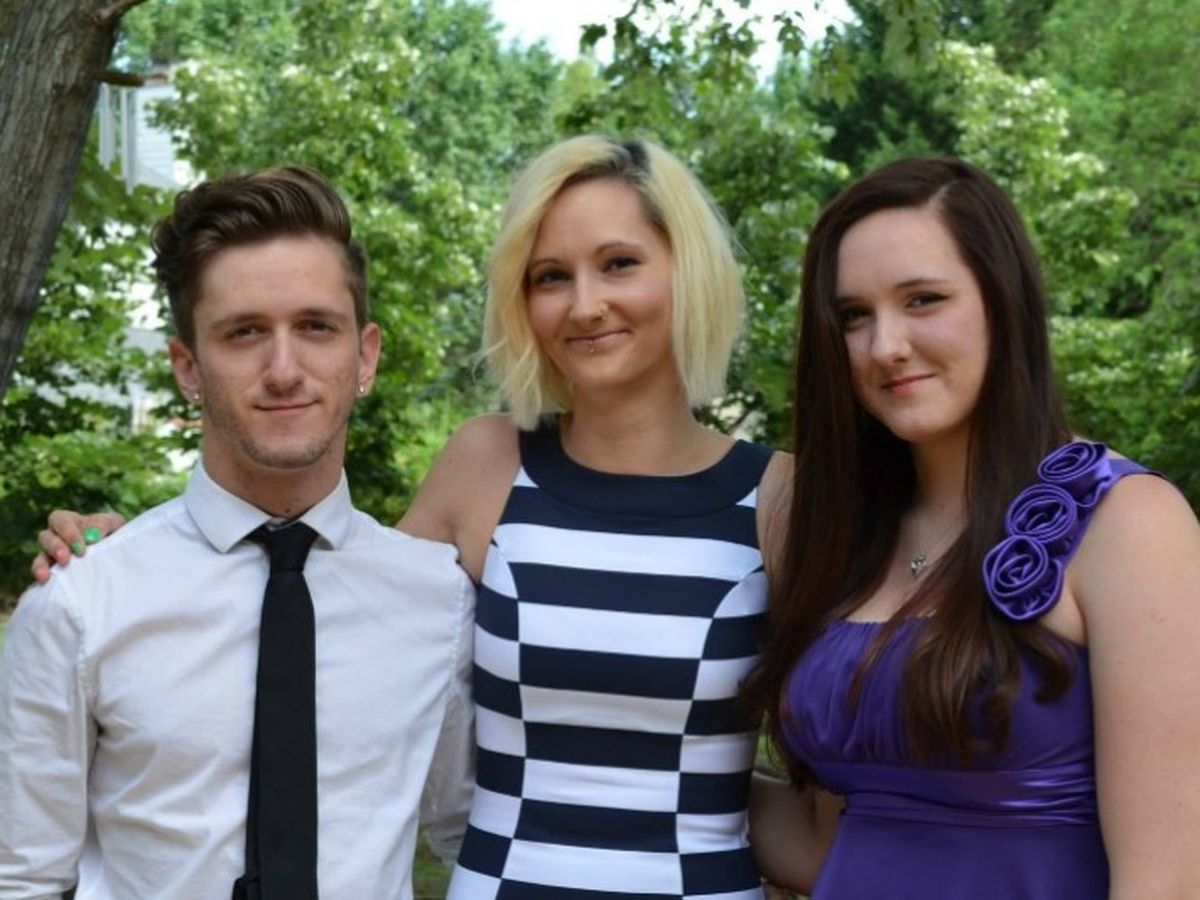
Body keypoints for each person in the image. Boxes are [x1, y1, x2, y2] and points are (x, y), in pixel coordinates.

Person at [32, 135, 793, 898]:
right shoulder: (484, 466)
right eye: (550, 276)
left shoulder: (784, 498)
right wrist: (126, 560)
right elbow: (325, 597)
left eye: (620, 263)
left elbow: (837, 780)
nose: (586, 304)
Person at [0, 166, 474, 898]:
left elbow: (474, 835)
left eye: (315, 327)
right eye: (244, 332)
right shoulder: (82, 604)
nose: (283, 370)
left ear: (365, 355)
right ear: (188, 367)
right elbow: (21, 877)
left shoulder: (438, 602)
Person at [745, 156, 1200, 898]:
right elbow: (831, 843)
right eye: (854, 315)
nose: (885, 345)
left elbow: (1171, 880)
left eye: (923, 299)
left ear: (1002, 299)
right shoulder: (844, 539)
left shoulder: (1129, 522)